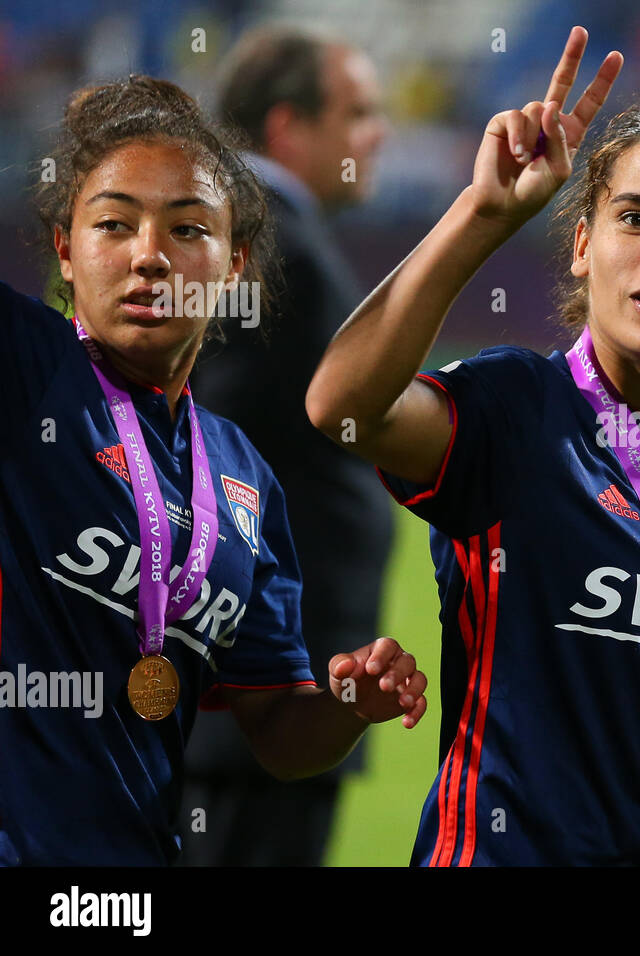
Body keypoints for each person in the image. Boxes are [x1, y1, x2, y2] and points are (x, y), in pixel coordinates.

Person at [305, 26, 640, 866]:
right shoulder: (520, 411)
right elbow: (342, 407)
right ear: (585, 243)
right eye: (635, 218)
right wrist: (484, 213)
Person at [0, 75, 426, 866]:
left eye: (187, 229)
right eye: (113, 225)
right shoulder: (25, 373)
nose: (149, 256)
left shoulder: (239, 477)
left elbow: (279, 730)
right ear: (66, 248)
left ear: (233, 265)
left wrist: (347, 701)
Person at [181, 26, 394, 867]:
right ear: (286, 128)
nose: (377, 134)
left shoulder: (265, 237)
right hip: (256, 711)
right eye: (358, 112)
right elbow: (193, 435)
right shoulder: (265, 242)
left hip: (275, 705)